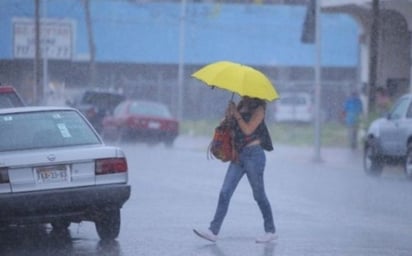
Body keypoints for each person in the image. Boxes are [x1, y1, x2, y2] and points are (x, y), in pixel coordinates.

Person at [193, 96, 276, 243]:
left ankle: (270, 231)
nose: (244, 94)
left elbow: (248, 130)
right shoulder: (241, 105)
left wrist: (236, 115)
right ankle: (213, 231)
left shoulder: (259, 109)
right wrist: (228, 115)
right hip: (238, 156)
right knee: (225, 192)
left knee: (258, 195)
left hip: (254, 156)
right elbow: (230, 126)